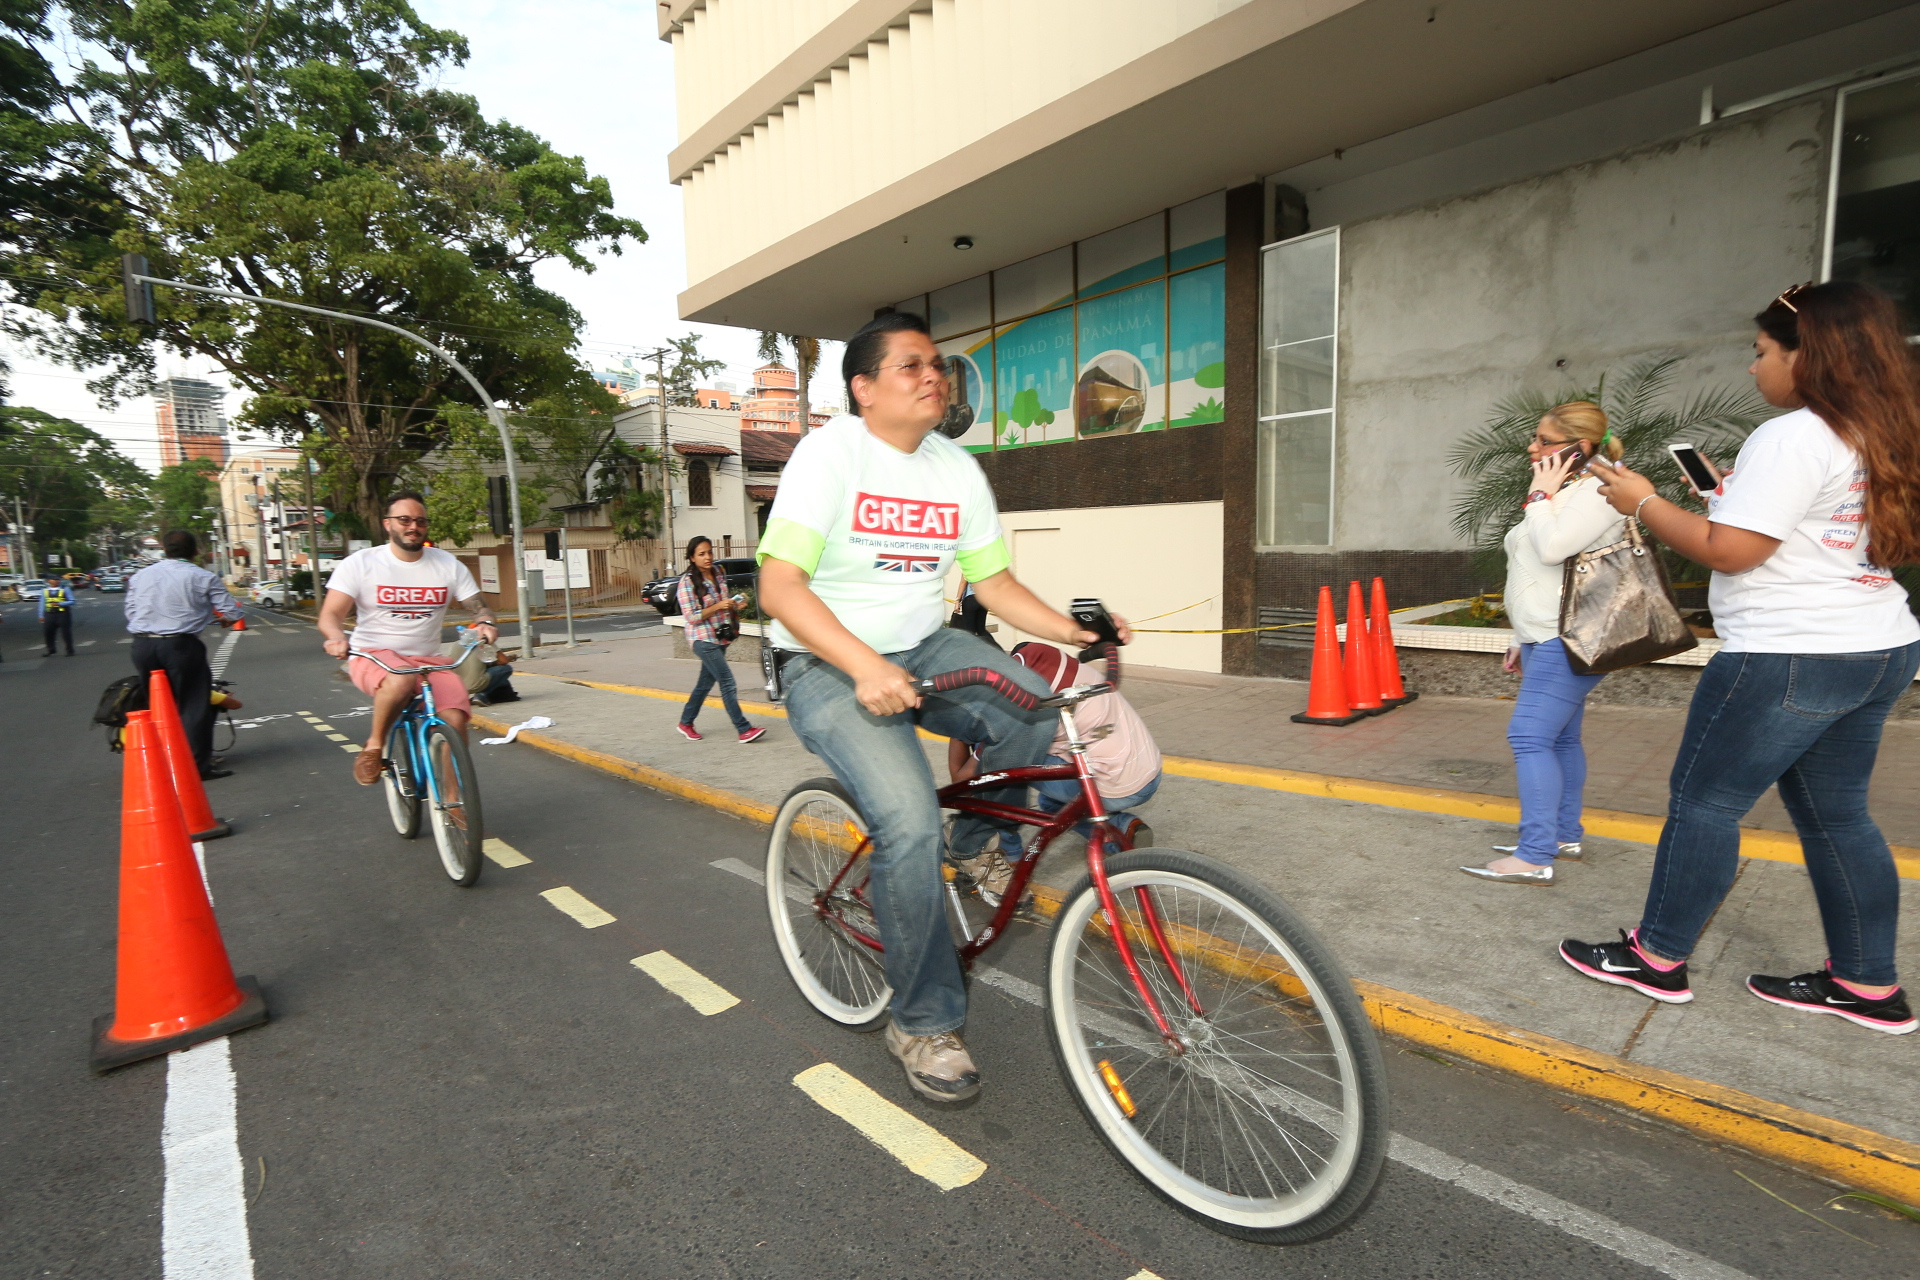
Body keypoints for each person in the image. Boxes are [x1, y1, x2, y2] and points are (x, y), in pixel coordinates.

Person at [757, 310, 1130, 1102]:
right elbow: (780, 587)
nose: (934, 376)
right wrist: (862, 665)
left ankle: (976, 842)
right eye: (912, 365)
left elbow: (993, 584)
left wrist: (1076, 632)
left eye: (939, 365)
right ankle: (921, 1022)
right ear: (864, 388)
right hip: (825, 661)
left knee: (1037, 709)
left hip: (924, 646)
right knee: (908, 824)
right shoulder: (830, 454)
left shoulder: (955, 469)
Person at [1562, 281, 1920, 1035]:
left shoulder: (1794, 436)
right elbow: (1804, 531)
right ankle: (1867, 984)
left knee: (1706, 803)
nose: (1753, 367)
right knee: (1838, 816)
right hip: (1876, 644)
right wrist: (1729, 496)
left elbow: (1730, 552)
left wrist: (1641, 501)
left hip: (1789, 655)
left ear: (1806, 356)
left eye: (1761, 352)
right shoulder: (1878, 429)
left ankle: (1657, 957)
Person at [1462, 402, 1624, 885]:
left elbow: (1554, 549)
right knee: (1560, 738)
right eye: (1536, 439)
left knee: (1529, 736)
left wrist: (1538, 497)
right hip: (1542, 635)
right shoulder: (1569, 489)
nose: (1532, 447)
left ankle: (1535, 854)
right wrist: (1519, 636)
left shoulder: (1598, 490)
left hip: (1568, 635)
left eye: (1545, 441)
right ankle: (1562, 835)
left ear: (1581, 446)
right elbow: (1530, 568)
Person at [947, 640, 1162, 904]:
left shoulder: (1009, 708)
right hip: (1147, 768)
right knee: (1051, 802)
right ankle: (1123, 829)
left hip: (1113, 784)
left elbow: (962, 779)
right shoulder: (1038, 654)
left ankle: (1009, 853)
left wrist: (960, 728)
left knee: (1003, 769)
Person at [318, 492, 499, 786]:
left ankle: (454, 802)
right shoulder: (361, 563)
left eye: (420, 521)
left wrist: (485, 623)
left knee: (455, 720)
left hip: (427, 661)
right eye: (404, 520)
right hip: (373, 655)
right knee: (400, 678)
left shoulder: (448, 564)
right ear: (387, 524)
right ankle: (374, 745)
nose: (413, 526)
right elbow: (330, 614)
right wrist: (335, 637)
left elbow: (479, 606)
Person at [124, 531, 244, 779]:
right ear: (196, 551)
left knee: (157, 705)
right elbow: (232, 612)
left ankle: (159, 762)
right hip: (180, 646)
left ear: (164, 549)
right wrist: (224, 620)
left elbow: (131, 611)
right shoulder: (203, 576)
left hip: (142, 646)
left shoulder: (140, 575)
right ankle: (196, 767)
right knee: (193, 706)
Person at [674, 535, 765, 743]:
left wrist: (735, 603)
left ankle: (686, 722)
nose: (707, 557)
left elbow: (724, 601)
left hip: (720, 635)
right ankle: (744, 729)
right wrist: (717, 606)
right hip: (701, 638)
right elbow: (691, 617)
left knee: (705, 683)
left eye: (709, 552)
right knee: (726, 681)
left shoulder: (718, 571)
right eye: (701, 554)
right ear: (692, 557)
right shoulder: (687, 582)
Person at [38, 572, 75, 656]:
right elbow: (42, 604)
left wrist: (60, 604)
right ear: (48, 581)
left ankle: (69, 650)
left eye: (58, 579)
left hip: (63, 614)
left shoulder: (65, 589)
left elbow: (72, 601)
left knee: (65, 633)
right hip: (49, 614)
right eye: (54, 579)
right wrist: (41, 616)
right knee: (48, 632)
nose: (57, 581)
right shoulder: (44, 590)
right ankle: (51, 649)